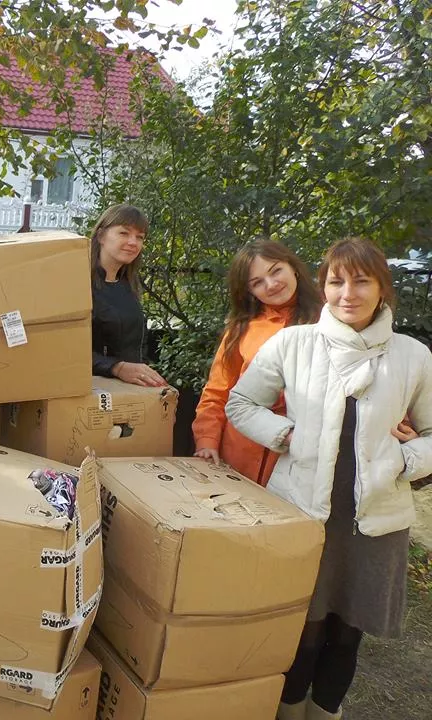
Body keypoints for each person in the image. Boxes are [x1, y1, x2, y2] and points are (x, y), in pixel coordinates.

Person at [225, 237, 432, 720]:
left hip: (375, 523)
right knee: (302, 629)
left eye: (362, 281)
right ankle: (287, 711)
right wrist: (286, 435)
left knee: (346, 634)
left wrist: (405, 459)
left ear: (382, 288)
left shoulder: (413, 355)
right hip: (303, 512)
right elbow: (241, 402)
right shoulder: (294, 344)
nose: (348, 293)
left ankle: (325, 713)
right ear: (323, 287)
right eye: (337, 282)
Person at [192, 239, 321, 485]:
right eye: (257, 282)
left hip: (298, 456)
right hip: (238, 452)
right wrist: (207, 441)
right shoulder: (240, 329)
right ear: (249, 291)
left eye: (276, 271)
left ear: (293, 267)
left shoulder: (328, 321)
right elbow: (218, 392)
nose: (271, 284)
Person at [90, 203, 167, 387]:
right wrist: (116, 367)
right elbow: (64, 347)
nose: (133, 242)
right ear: (101, 236)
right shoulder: (77, 284)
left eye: (140, 237)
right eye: (124, 233)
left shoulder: (128, 284)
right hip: (93, 389)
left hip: (128, 390)